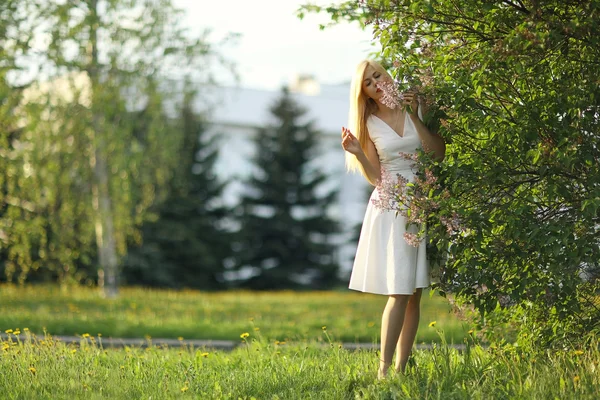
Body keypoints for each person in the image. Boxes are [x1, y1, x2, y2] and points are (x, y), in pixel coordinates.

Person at [341, 59, 445, 379]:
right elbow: (376, 178)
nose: (376, 82)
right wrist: (358, 152)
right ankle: (383, 373)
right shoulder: (370, 123)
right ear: (366, 94)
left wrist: (416, 114)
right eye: (369, 83)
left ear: (388, 74)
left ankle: (400, 369)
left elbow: (438, 154)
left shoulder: (418, 105)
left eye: (378, 75)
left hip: (424, 201)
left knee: (414, 294)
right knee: (399, 290)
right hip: (393, 205)